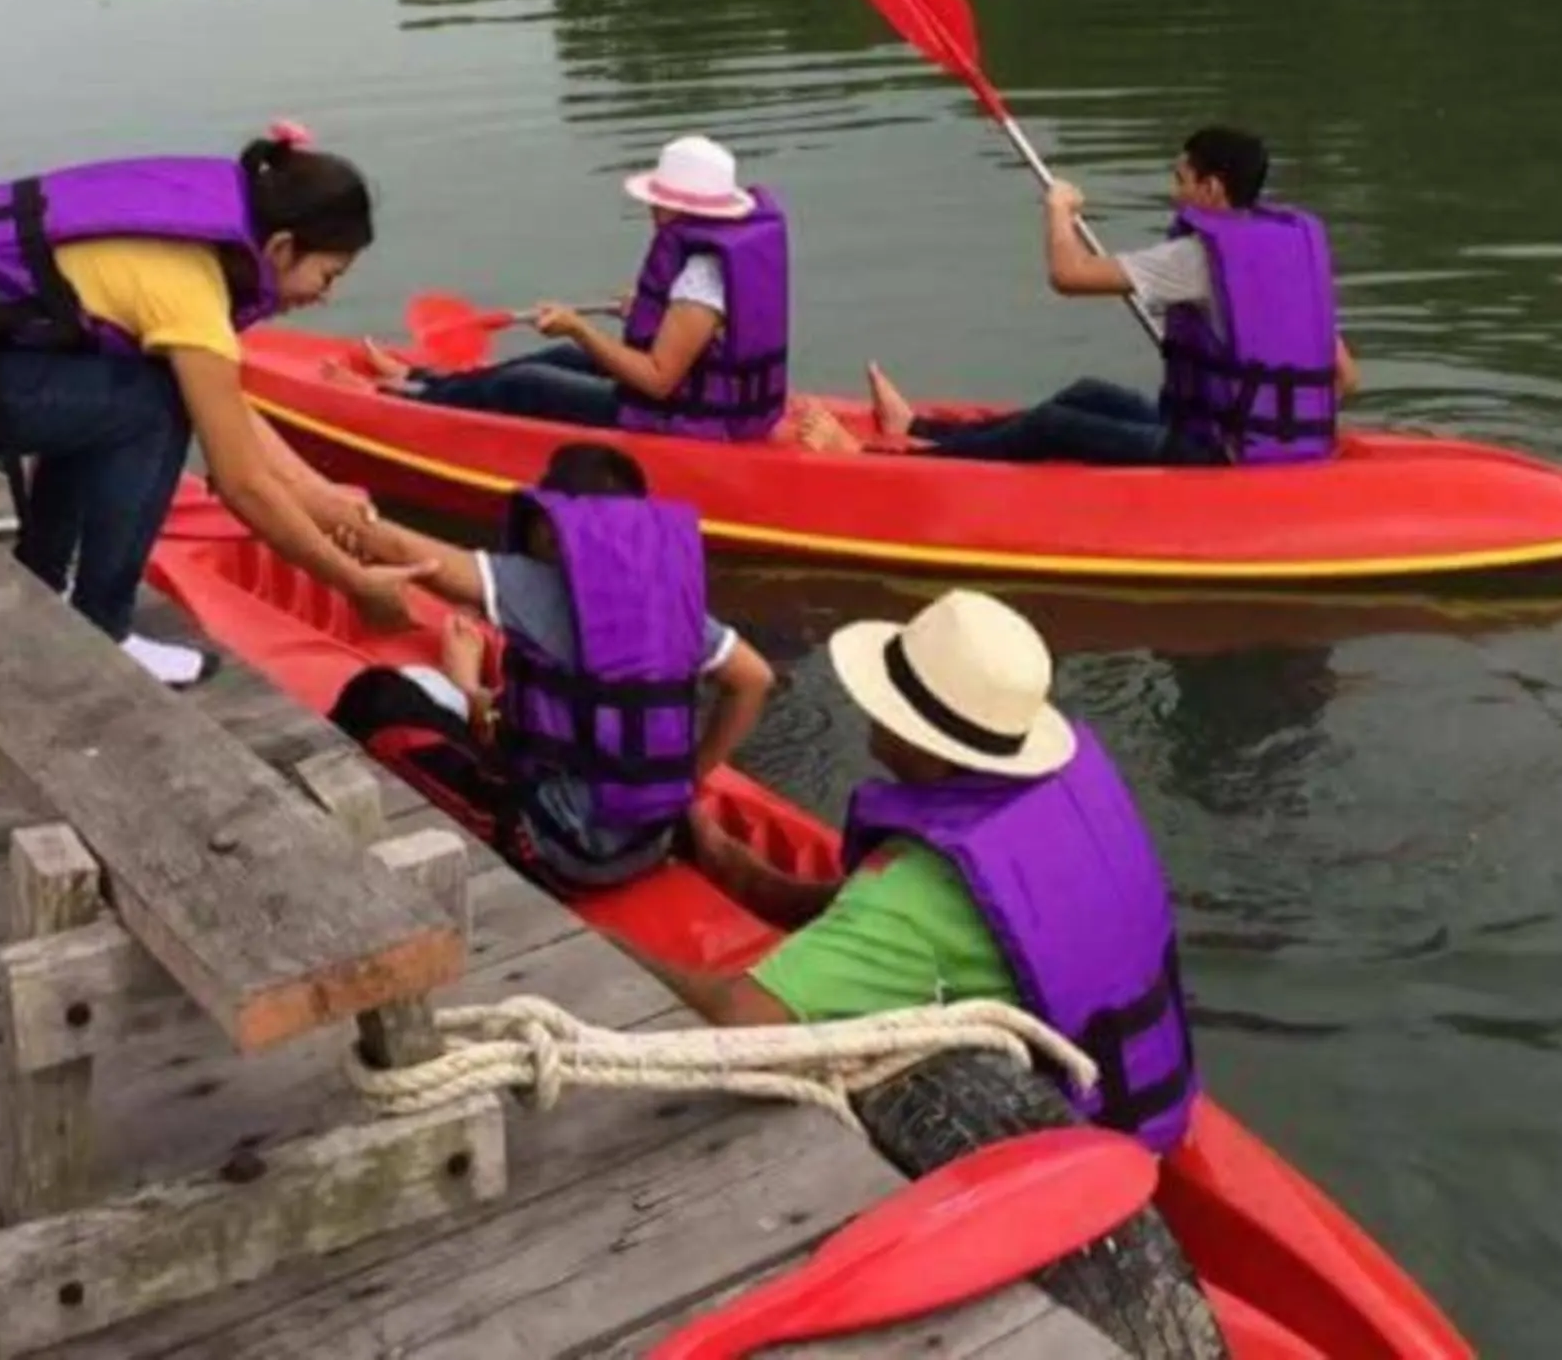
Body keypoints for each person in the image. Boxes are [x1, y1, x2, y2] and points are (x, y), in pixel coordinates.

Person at [0, 125, 425, 688]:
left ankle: (44, 585)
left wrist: (332, 508)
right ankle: (101, 626)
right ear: (284, 246)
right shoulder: (186, 290)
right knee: (152, 407)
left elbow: (231, 417)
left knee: (134, 393)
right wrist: (355, 586)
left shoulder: (191, 232)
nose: (326, 296)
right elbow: (244, 485)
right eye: (328, 274)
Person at [641, 587, 1201, 1153]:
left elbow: (740, 1025)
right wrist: (728, 864)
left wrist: (594, 943)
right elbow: (899, 913)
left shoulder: (917, 895)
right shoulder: (1062, 792)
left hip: (1060, 1151)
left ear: (924, 744)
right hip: (1137, 1107)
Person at [323, 442, 775, 893]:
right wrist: (692, 774)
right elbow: (755, 679)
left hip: (557, 850)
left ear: (553, 524)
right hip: (650, 840)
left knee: (374, 697)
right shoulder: (674, 608)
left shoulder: (538, 584)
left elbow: (410, 552)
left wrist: (327, 512)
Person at [818, 126, 1356, 469]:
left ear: (1212, 188)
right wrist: (1273, 422)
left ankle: (894, 463)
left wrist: (1057, 210)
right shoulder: (1283, 259)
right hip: (1251, 438)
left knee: (1056, 426)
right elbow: (1345, 379)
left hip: (1220, 453)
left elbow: (1068, 275)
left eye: (1181, 178)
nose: (1175, 191)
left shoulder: (1197, 259)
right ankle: (914, 428)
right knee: (1088, 393)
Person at [356, 134, 790, 441]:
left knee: (526, 382)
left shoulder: (703, 276)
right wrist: (643, 313)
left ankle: (411, 403)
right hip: (697, 403)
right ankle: (426, 381)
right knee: (564, 357)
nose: (652, 208)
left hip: (680, 419)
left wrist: (578, 326)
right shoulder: (719, 259)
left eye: (659, 200)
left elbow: (659, 382)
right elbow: (699, 336)